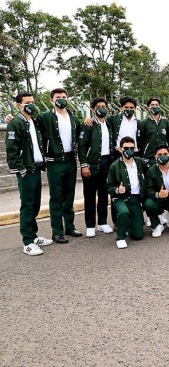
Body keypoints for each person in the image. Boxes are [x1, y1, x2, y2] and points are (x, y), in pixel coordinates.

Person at [6, 92, 53, 255]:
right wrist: (21, 169)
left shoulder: (33, 121)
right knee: (27, 205)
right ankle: (27, 242)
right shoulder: (16, 122)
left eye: (32, 102)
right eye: (27, 102)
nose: (31, 105)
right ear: (19, 105)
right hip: (26, 171)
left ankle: (33, 236)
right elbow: (11, 150)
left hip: (36, 168)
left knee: (35, 204)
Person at [36, 88, 82, 242]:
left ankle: (69, 226)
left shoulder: (73, 117)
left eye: (64, 97)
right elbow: (28, 124)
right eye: (58, 97)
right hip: (54, 161)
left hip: (70, 160)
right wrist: (10, 118)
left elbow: (81, 133)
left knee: (69, 195)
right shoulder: (44, 117)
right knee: (56, 197)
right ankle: (57, 231)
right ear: (51, 100)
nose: (61, 99)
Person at [78, 97, 114, 237]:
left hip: (106, 163)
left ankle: (103, 223)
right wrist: (84, 165)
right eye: (98, 106)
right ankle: (90, 225)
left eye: (104, 106)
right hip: (91, 165)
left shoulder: (109, 124)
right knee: (90, 195)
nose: (101, 108)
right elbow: (81, 147)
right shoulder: (88, 125)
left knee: (104, 194)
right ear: (93, 109)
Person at [106, 136, 147, 249]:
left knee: (138, 235)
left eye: (131, 148)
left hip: (134, 200)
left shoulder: (140, 163)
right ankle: (120, 237)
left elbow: (149, 173)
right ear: (120, 149)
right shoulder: (114, 166)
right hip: (120, 199)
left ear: (135, 149)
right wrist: (117, 190)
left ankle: (129, 225)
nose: (129, 150)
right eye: (126, 148)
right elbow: (108, 187)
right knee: (123, 212)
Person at [138, 97, 169, 168]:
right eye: (152, 105)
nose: (155, 107)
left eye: (157, 105)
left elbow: (168, 137)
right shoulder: (144, 123)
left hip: (163, 156)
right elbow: (141, 140)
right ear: (148, 108)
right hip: (149, 157)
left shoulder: (165, 122)